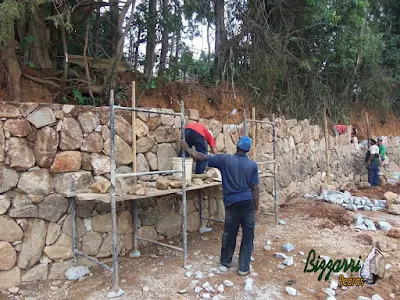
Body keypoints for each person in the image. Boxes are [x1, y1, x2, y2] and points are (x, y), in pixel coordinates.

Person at [180, 136, 259, 276]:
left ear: (237, 146)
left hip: (232, 203)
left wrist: (187, 149)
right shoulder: (252, 165)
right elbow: (255, 188)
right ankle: (243, 268)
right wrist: (256, 207)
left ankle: (225, 262)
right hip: (247, 203)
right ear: (248, 149)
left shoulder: (224, 159)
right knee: (248, 236)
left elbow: (202, 157)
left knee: (229, 232)